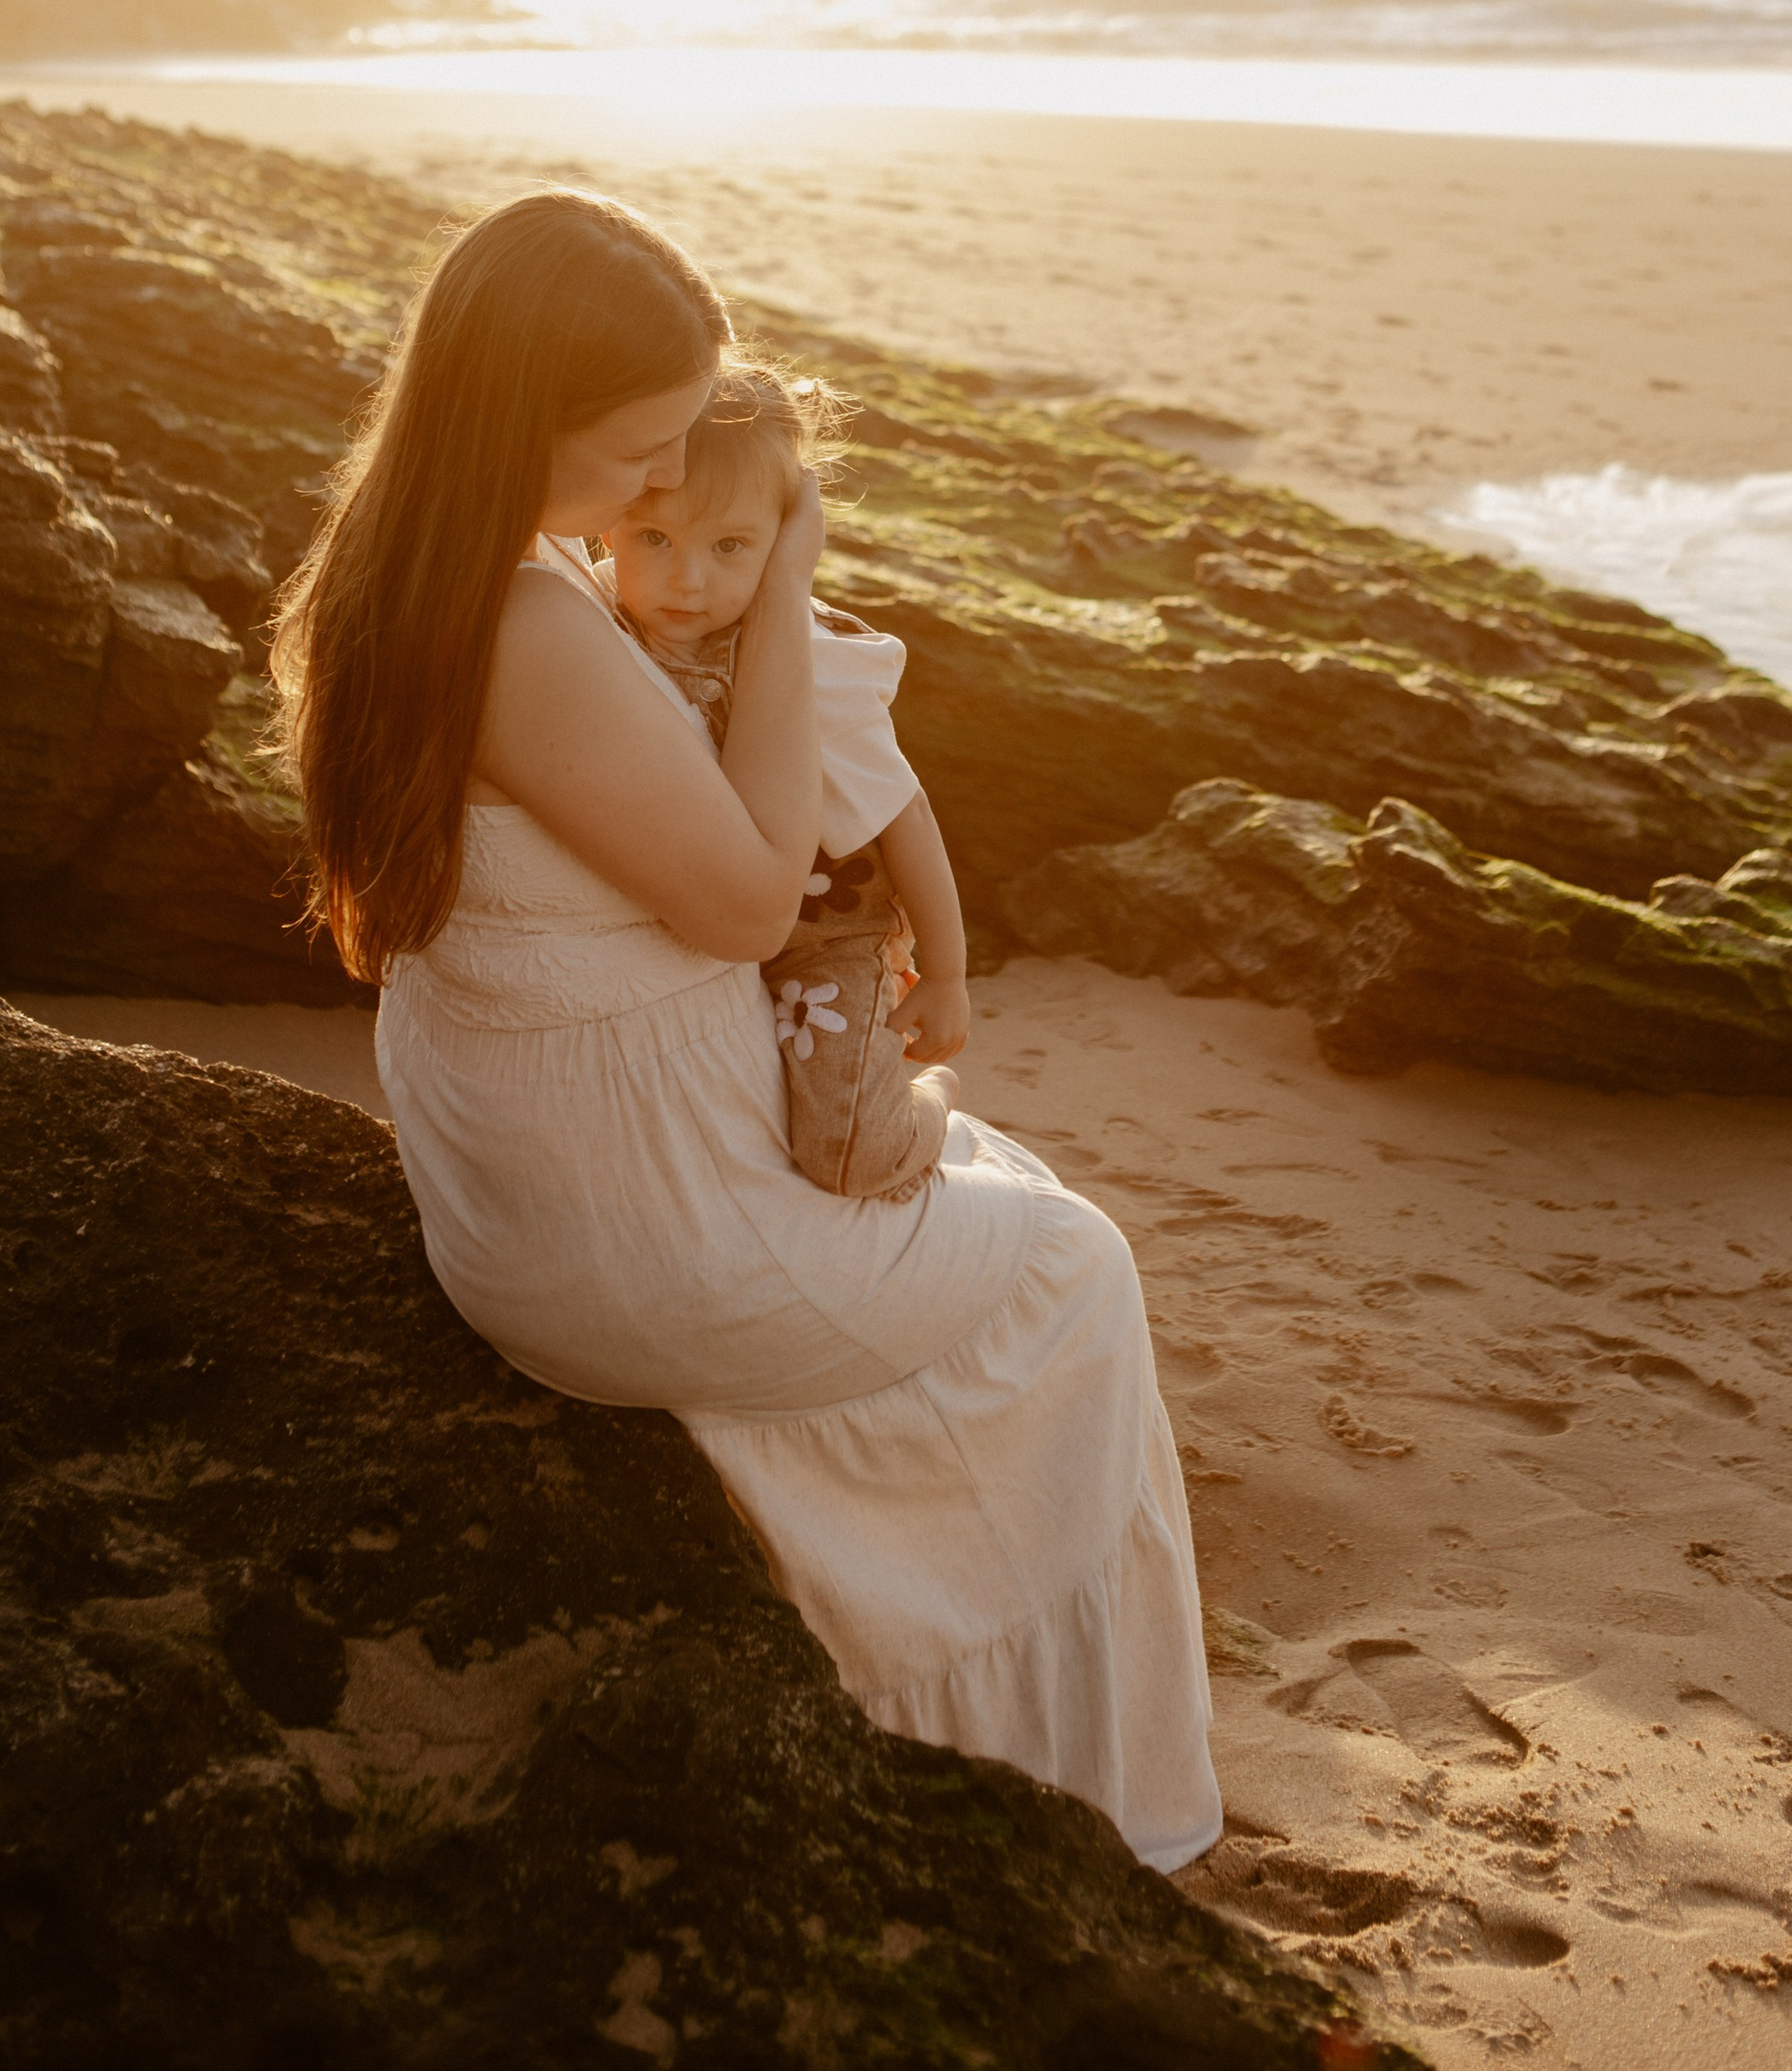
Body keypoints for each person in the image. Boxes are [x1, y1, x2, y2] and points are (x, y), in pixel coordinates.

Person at [272, 186, 1219, 1873]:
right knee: (1076, 1269)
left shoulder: (399, 565)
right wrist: (782, 581)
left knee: (987, 1175)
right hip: (634, 1233)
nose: (661, 482)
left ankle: (901, 1650)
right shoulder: (532, 627)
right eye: (639, 445)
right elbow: (748, 900)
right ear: (521, 419)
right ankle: (1068, 1794)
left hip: (540, 1181)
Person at [598, 356, 962, 1201]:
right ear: (610, 526)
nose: (687, 580)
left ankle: (933, 1107)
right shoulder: (589, 616)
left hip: (828, 937)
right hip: (705, 920)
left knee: (846, 1159)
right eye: (656, 538)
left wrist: (946, 972)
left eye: (731, 547)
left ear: (785, 539)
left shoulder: (815, 658)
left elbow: (904, 808)